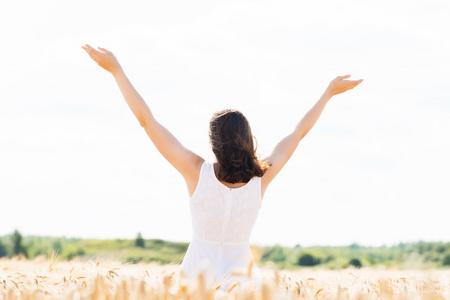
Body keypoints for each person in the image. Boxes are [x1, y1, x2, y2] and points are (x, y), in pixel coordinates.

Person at [82, 44, 363, 289]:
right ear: (247, 139)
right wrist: (328, 93)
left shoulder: (196, 172)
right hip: (243, 287)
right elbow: (297, 134)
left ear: (213, 142)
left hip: (193, 285)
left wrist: (116, 71)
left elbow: (147, 121)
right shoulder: (261, 177)